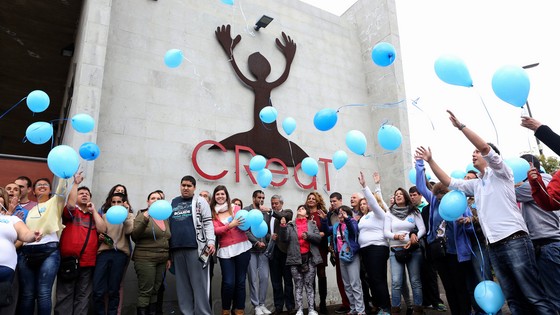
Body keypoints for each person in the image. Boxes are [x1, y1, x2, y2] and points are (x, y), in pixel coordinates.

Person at [418, 110, 556, 313]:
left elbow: (484, 146)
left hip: (515, 240)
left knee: (533, 296)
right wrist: (430, 161)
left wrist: (461, 127)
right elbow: (448, 182)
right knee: (514, 299)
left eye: (476, 152)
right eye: (472, 153)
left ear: (490, 157)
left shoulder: (502, 172)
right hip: (494, 246)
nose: (474, 154)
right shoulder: (476, 185)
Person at [414, 157, 471, 315]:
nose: (439, 200)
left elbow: (471, 227)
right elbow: (421, 185)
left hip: (456, 251)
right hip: (439, 250)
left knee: (460, 286)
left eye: (442, 197)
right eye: (437, 198)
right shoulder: (434, 201)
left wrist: (466, 222)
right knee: (448, 287)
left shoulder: (458, 202)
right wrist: (419, 164)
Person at [18, 174, 80, 315]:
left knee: (44, 293)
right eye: (38, 185)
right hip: (27, 252)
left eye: (45, 185)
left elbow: (62, 189)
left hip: (49, 251)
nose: (42, 186)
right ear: (33, 191)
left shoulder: (55, 202)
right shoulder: (29, 210)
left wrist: (65, 175)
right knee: (27, 294)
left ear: (50, 191)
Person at [515, 154, 560, 312]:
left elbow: (507, 193)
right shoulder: (549, 181)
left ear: (528, 165)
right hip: (550, 245)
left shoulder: (537, 184)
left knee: (554, 298)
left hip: (547, 246)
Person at [55, 182, 106, 315]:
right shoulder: (71, 212)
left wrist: (94, 211)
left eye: (87, 194)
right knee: (65, 294)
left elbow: (102, 229)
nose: (84, 195)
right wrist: (76, 183)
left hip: (88, 262)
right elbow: (70, 205)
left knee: (83, 296)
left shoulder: (94, 216)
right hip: (69, 261)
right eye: (81, 193)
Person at [169, 175, 215, 315]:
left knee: (199, 285)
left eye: (189, 186)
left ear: (194, 188)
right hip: (177, 248)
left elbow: (208, 223)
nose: (185, 188)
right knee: (182, 286)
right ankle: (187, 312)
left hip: (196, 248)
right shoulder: (173, 202)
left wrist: (211, 242)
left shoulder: (200, 201)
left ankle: (202, 312)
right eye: (183, 185)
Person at [383, 187, 425, 315]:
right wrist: (395, 236)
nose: (398, 196)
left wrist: (415, 237)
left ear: (405, 197)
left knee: (415, 281)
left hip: (412, 250)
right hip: (395, 250)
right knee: (396, 281)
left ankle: (418, 309)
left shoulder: (414, 211)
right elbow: (386, 232)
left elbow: (422, 228)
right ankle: (395, 309)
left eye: (401, 194)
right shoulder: (389, 213)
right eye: (396, 194)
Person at [212, 185, 251, 315]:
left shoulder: (236, 208)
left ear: (226, 196)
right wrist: (230, 225)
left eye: (222, 194)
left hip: (242, 248)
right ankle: (226, 310)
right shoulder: (213, 212)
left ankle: (239, 309)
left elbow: (245, 225)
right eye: (217, 194)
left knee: (240, 281)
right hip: (225, 250)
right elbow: (215, 230)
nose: (220, 196)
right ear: (214, 197)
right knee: (228, 282)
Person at [93, 192, 134, 315]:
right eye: (113, 202)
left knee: (114, 290)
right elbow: (100, 230)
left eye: (119, 202)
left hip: (120, 255)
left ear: (123, 203)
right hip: (104, 254)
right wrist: (101, 237)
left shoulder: (129, 216)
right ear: (110, 203)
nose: (116, 204)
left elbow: (129, 230)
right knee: (97, 290)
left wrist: (125, 215)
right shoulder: (105, 216)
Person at [131, 190, 171, 315]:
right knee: (146, 291)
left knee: (155, 290)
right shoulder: (142, 215)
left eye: (158, 198)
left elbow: (166, 239)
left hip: (162, 260)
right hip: (145, 259)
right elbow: (134, 236)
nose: (156, 200)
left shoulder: (165, 218)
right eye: (153, 198)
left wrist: (168, 257)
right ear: (148, 202)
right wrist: (145, 218)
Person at [319, 205, 364, 315]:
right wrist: (324, 220)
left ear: (348, 214)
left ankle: (360, 310)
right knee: (347, 285)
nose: (341, 215)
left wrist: (347, 219)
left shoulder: (352, 222)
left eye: (343, 213)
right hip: (341, 256)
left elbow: (353, 232)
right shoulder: (336, 226)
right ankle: (353, 308)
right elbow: (326, 231)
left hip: (352, 256)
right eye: (339, 213)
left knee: (355, 284)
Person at [408, 186, 446, 313]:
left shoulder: (426, 208)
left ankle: (437, 301)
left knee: (431, 274)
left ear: (420, 195)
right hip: (414, 245)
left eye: (414, 195)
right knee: (419, 274)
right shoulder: (410, 210)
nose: (412, 197)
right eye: (411, 195)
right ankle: (425, 301)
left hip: (428, 244)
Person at [357, 172, 391, 315]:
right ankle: (379, 305)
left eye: (367, 202)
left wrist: (365, 186)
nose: (366, 205)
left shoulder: (380, 213)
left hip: (377, 248)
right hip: (365, 250)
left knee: (378, 279)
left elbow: (372, 200)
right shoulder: (365, 217)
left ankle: (385, 308)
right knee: (372, 279)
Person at [279, 205, 322, 315]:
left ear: (307, 214)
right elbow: (284, 239)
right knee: (298, 285)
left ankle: (311, 309)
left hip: (310, 258)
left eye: (302, 209)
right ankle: (299, 309)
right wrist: (283, 226)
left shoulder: (312, 224)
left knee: (309, 285)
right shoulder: (290, 225)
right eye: (299, 208)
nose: (299, 209)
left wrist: (308, 235)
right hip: (295, 259)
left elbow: (318, 238)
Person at [0, 208, 41, 313]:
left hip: (6, 272)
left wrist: (33, 235)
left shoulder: (12, 219)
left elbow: (25, 234)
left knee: (4, 307)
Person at [305, 192, 336, 314]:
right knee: (310, 276)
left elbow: (328, 230)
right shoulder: (304, 213)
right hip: (308, 248)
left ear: (317, 201)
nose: (311, 200)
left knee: (321, 274)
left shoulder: (323, 214)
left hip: (321, 247)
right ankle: (311, 304)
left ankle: (322, 303)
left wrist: (322, 234)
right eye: (309, 198)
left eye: (313, 198)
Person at [244, 190, 272, 315]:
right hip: (251, 250)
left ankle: (262, 304)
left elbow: (267, 230)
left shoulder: (265, 212)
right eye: (259, 197)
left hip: (263, 251)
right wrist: (256, 242)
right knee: (253, 278)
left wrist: (268, 240)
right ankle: (256, 305)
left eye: (263, 197)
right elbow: (246, 230)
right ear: (253, 198)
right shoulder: (247, 210)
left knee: (265, 277)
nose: (261, 199)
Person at [268, 195, 295, 315]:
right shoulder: (268, 217)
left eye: (276, 203)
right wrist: (270, 236)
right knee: (276, 281)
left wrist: (271, 212)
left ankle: (290, 306)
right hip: (273, 252)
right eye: (272, 203)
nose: (274, 205)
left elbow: (285, 217)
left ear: (282, 204)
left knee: (288, 281)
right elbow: (266, 233)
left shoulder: (287, 212)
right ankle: (278, 306)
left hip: (285, 252)